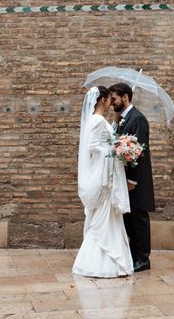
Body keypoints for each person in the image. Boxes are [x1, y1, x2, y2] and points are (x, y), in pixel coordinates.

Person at [72, 86, 134, 278]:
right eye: (108, 100)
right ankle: (102, 263)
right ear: (101, 100)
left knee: (108, 217)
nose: (110, 103)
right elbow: (93, 147)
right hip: (104, 177)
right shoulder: (97, 121)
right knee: (105, 216)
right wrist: (115, 150)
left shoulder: (98, 120)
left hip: (105, 173)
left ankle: (103, 261)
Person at [109, 82, 155, 273]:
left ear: (125, 97)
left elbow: (138, 152)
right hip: (125, 179)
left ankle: (143, 259)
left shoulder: (139, 119)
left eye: (114, 98)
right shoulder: (123, 118)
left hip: (135, 181)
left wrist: (132, 180)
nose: (111, 102)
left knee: (139, 220)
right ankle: (134, 256)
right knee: (130, 220)